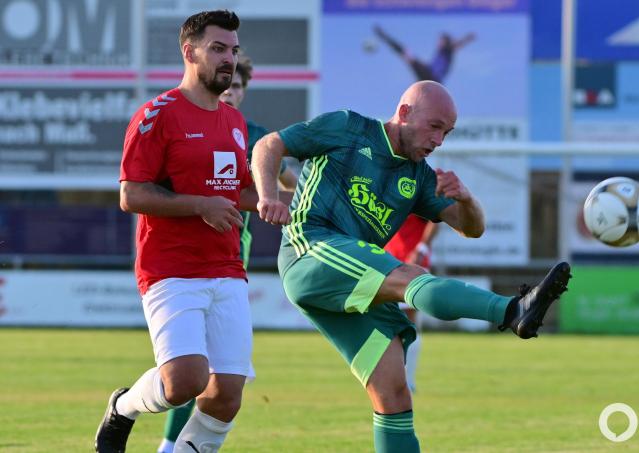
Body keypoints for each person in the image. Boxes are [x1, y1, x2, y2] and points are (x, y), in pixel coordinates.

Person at [251, 80, 572, 452]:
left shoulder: (419, 176)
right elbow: (268, 144)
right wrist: (267, 196)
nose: (439, 141)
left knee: (394, 392)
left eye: (447, 133)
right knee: (409, 276)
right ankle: (513, 309)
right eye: (435, 127)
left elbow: (473, 228)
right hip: (310, 249)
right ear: (404, 113)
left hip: (347, 278)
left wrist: (466, 199)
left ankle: (513, 311)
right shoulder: (348, 128)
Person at [95, 10, 258, 453]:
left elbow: (239, 192)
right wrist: (199, 206)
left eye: (233, 50)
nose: (229, 59)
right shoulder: (156, 115)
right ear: (190, 52)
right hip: (170, 269)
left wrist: (274, 201)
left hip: (227, 269)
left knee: (226, 396)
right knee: (186, 380)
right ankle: (124, 406)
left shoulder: (235, 123)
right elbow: (131, 194)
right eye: (218, 49)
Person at [155, 54, 298, 453]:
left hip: (233, 260)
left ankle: (174, 443)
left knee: (218, 378)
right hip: (181, 263)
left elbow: (286, 183)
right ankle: (168, 443)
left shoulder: (253, 135)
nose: (232, 91)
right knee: (192, 369)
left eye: (238, 86)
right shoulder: (179, 122)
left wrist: (295, 199)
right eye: (228, 83)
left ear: (244, 91)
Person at [383, 215, 438, 393]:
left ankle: (408, 381)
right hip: (386, 262)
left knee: (409, 320)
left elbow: (436, 219)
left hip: (411, 263)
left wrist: (421, 248)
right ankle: (395, 379)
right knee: (388, 322)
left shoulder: (412, 190)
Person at [374, 25, 475, 83]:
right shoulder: (441, 51)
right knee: (406, 54)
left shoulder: (448, 50)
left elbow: (456, 45)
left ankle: (384, 36)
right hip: (428, 76)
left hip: (433, 78)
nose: (438, 43)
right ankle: (385, 37)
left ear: (445, 42)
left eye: (441, 41)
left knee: (407, 54)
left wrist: (467, 39)